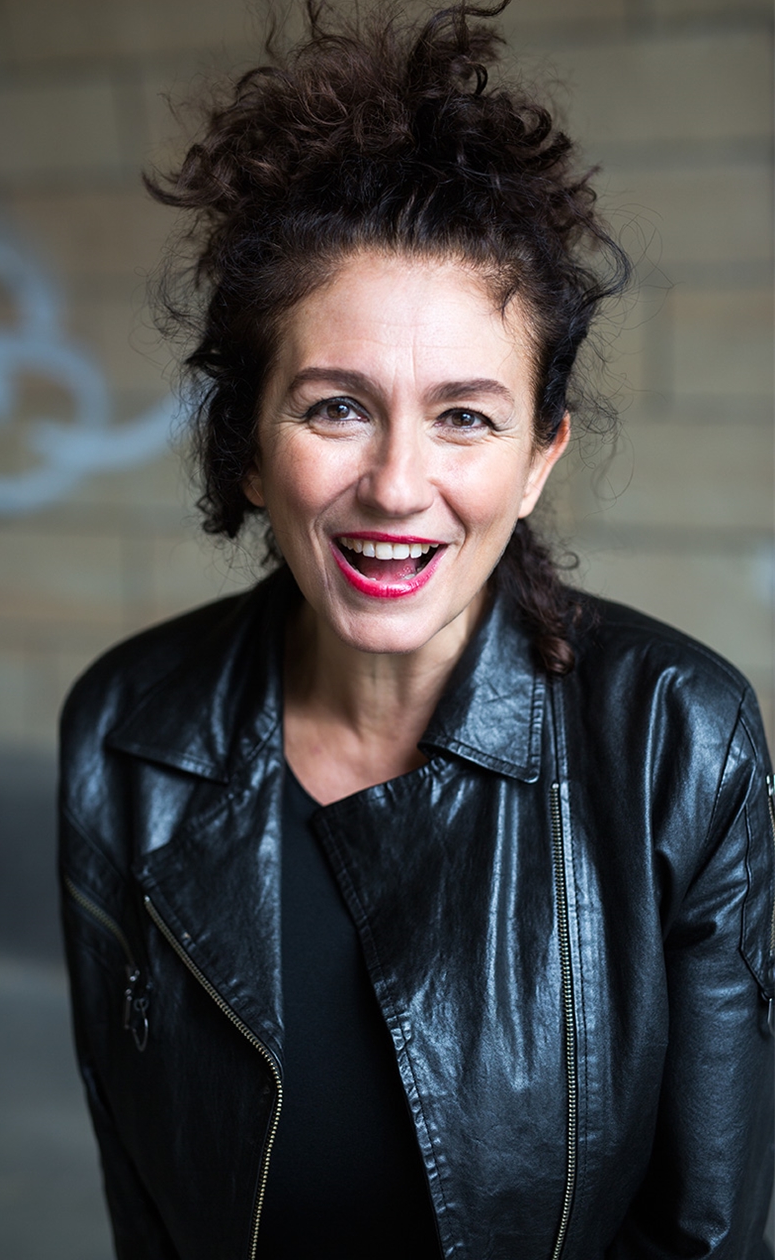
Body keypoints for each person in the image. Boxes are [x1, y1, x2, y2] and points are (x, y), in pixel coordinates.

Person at [58, 3, 775, 1257]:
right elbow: (146, 1204)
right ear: (248, 450)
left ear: (539, 458)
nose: (397, 486)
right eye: (337, 407)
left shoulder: (677, 742)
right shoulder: (125, 727)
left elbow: (706, 1234)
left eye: (466, 417)